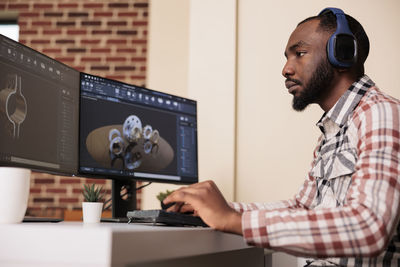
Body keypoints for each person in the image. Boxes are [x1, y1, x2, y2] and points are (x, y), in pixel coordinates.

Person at [164, 7, 400, 266]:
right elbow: (302, 208)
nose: (286, 69)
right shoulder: (333, 130)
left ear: (341, 55)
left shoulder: (380, 112)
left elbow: (370, 227)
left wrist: (233, 220)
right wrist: (221, 208)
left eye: (299, 53)